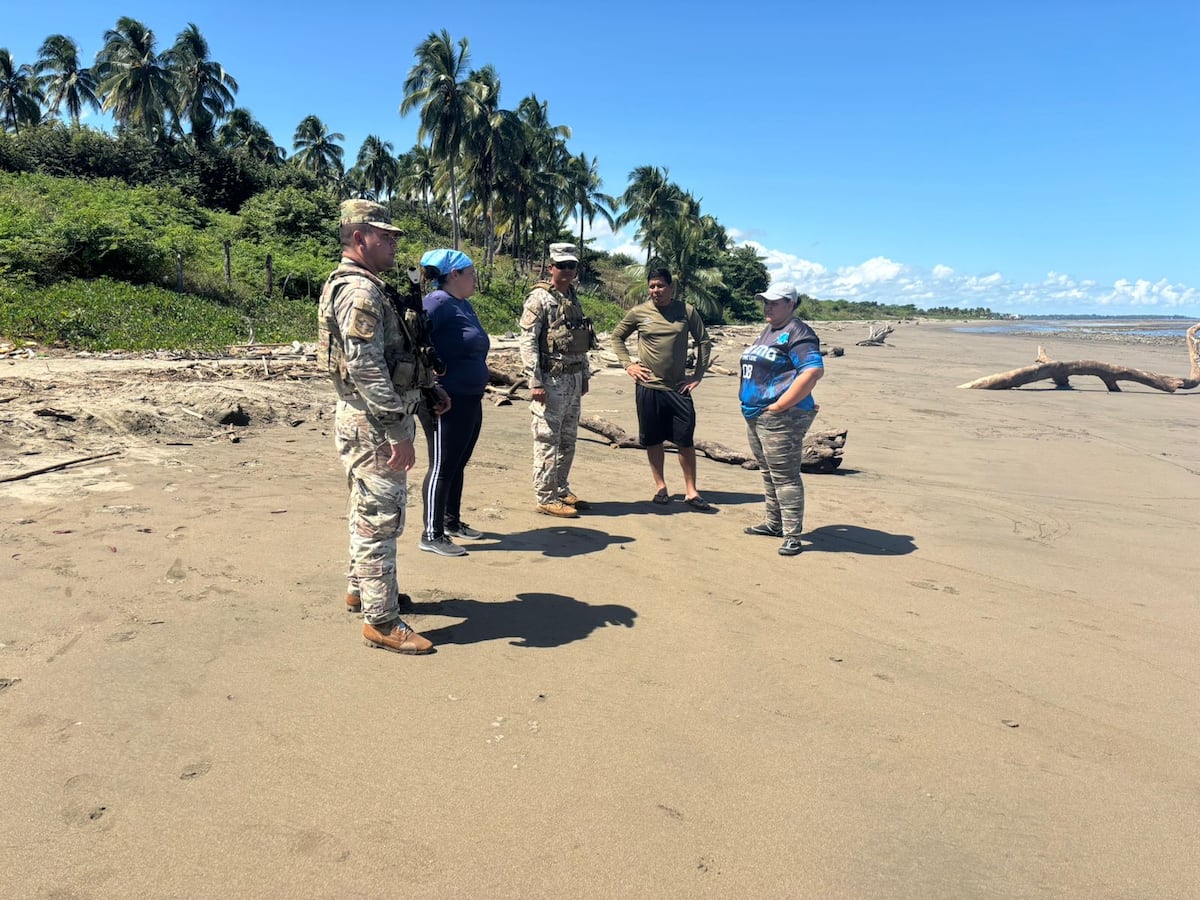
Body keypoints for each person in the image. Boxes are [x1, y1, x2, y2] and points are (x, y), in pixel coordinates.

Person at [317, 199, 433, 654]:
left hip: (368, 416)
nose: (392, 243)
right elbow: (365, 367)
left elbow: (391, 357)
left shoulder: (365, 287)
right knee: (380, 519)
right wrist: (396, 430)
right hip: (373, 422)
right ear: (359, 238)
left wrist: (425, 391)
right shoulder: (361, 292)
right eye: (385, 236)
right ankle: (381, 621)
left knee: (366, 510)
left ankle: (362, 589)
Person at [610, 267, 714, 510]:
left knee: (685, 440)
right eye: (652, 286)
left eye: (660, 286)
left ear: (671, 287)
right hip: (648, 387)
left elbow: (704, 341)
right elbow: (617, 337)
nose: (655, 291)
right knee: (653, 439)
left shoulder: (685, 311)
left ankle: (691, 490)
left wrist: (698, 375)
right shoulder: (639, 313)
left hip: (678, 388)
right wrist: (628, 365)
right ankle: (660, 486)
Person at [738, 282, 825, 556]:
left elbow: (812, 372)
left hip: (782, 416)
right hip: (756, 413)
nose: (768, 307)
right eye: (766, 302)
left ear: (791, 304)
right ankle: (773, 523)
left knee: (785, 476)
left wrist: (779, 406)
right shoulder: (769, 331)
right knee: (768, 472)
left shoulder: (798, 332)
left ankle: (792, 535)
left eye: (775, 302)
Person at [418, 248, 490, 556]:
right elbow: (414, 340)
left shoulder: (462, 305)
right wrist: (431, 385)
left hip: (470, 397)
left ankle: (451, 520)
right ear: (454, 275)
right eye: (471, 273)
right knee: (442, 465)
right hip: (445, 400)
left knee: (458, 462)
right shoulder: (436, 303)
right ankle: (431, 533)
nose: (475, 278)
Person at [518, 242, 594, 518]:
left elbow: (579, 338)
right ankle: (545, 495)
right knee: (547, 438)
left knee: (568, 439)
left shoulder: (572, 297)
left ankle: (561, 488)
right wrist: (535, 382)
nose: (567, 270)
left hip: (572, 378)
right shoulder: (539, 299)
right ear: (551, 267)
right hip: (551, 380)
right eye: (561, 265)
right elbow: (527, 342)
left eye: (571, 265)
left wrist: (584, 374)